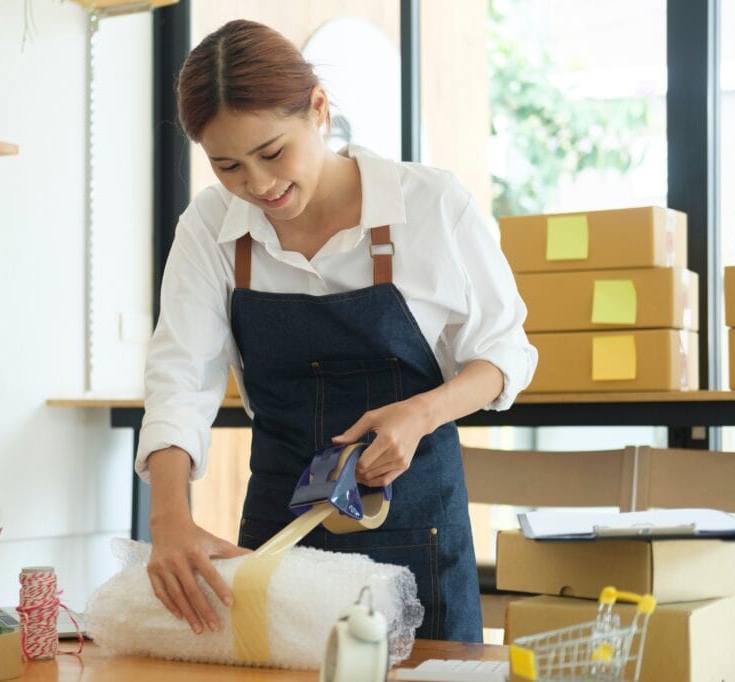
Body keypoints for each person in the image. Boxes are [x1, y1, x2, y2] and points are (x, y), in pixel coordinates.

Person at [135, 18, 537, 642]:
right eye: (228, 166)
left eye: (272, 153)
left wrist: (420, 414)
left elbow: (504, 354)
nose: (259, 185)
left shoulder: (429, 204)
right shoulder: (210, 227)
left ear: (318, 109)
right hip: (280, 533)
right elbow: (179, 378)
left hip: (417, 529)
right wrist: (169, 520)